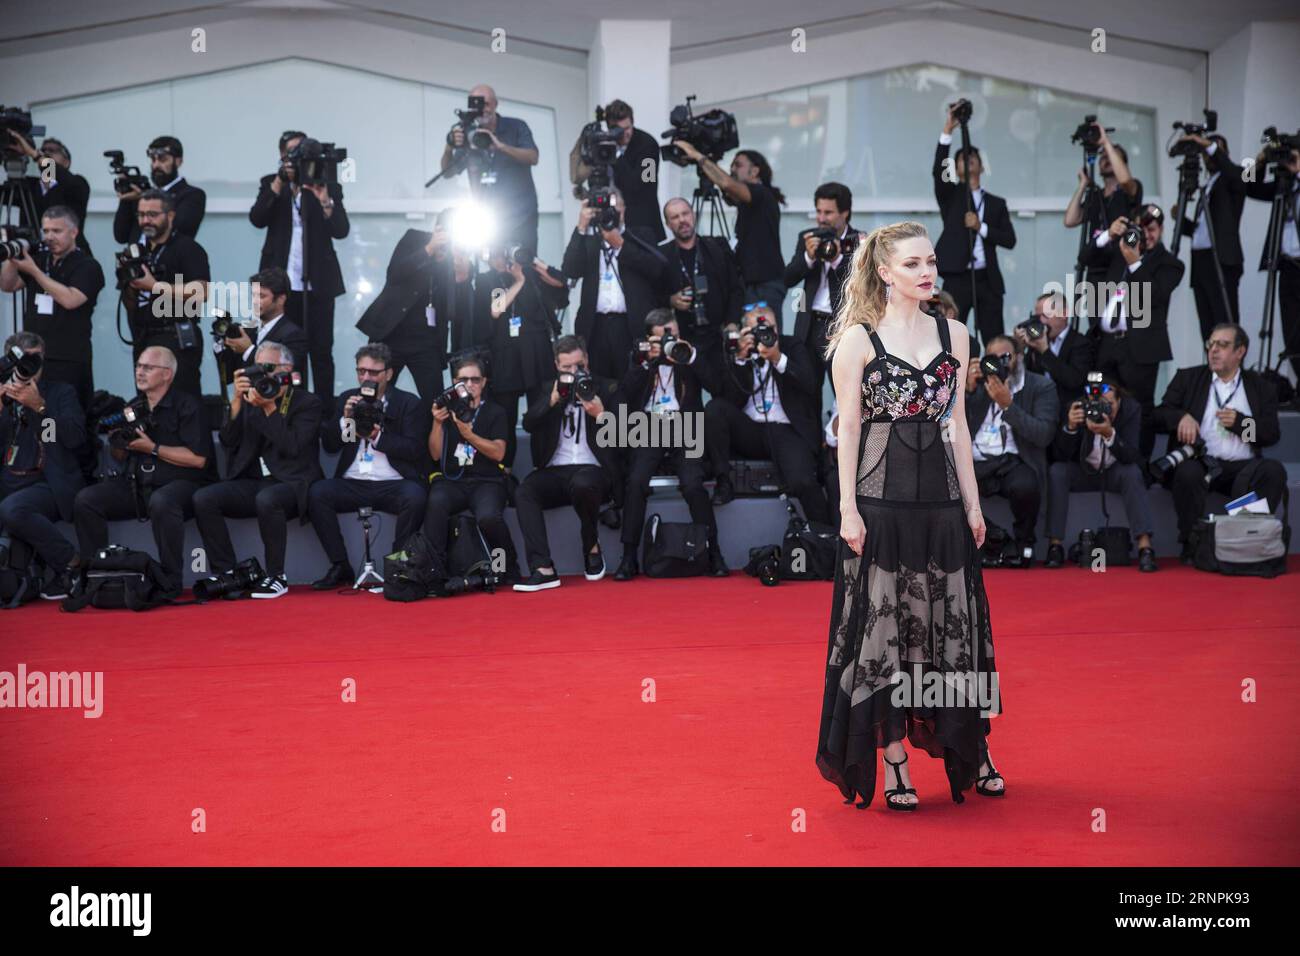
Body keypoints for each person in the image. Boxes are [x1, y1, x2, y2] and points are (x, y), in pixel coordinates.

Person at [816, 220, 1004, 812]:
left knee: (952, 631)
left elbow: (958, 426)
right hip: (881, 507)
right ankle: (893, 757)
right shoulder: (857, 341)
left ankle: (970, 747)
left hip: (943, 507)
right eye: (914, 264)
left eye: (932, 262)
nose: (928, 273)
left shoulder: (955, 333)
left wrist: (973, 504)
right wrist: (847, 508)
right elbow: (848, 430)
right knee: (884, 635)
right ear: (884, 271)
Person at [72, 346, 216, 597]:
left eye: (148, 367)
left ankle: (170, 580)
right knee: (87, 499)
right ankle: (96, 575)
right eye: (138, 366)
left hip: (183, 486)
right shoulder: (133, 406)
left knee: (163, 501)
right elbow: (121, 455)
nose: (140, 372)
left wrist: (153, 448)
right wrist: (120, 443)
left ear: (167, 374)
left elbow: (198, 460)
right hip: (139, 484)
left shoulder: (188, 405)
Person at [193, 342, 323, 598]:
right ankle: (227, 573)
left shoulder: (307, 402)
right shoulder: (250, 398)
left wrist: (269, 408)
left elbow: (292, 446)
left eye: (268, 368)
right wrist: (236, 404)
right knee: (204, 498)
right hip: (253, 479)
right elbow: (229, 443)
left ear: (287, 369)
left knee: (268, 499)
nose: (262, 375)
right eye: (257, 368)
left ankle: (276, 576)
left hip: (292, 482)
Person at [1152, 323, 1287, 563]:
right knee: (1188, 473)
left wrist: (1240, 424)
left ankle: (1247, 540)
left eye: (1222, 345)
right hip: (1201, 463)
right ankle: (1192, 542)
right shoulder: (1188, 378)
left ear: (1240, 352)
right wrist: (1180, 417)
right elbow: (1157, 415)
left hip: (1241, 468)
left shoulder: (1260, 387)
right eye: (1211, 344)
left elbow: (1270, 434)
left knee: (1273, 471)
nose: (1214, 350)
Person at [613, 309, 726, 581]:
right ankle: (628, 557)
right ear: (650, 338)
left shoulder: (689, 355)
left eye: (672, 334)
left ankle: (713, 552)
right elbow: (624, 395)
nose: (668, 341)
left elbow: (717, 386)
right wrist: (646, 363)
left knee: (693, 484)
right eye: (662, 337)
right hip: (649, 426)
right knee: (637, 481)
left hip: (686, 425)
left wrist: (692, 357)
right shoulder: (640, 358)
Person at [308, 344, 430, 589]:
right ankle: (340, 565)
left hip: (394, 482)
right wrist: (346, 420)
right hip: (353, 481)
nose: (366, 378)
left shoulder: (408, 403)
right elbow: (331, 446)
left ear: (388, 374)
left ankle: (399, 567)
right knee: (318, 492)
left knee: (416, 496)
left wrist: (376, 437)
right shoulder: (347, 398)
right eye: (361, 371)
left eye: (373, 373)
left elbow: (414, 450)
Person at [512, 336, 623, 592]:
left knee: (583, 483)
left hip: (594, 471)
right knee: (524, 491)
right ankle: (543, 568)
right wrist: (552, 400)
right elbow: (529, 423)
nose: (574, 372)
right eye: (566, 368)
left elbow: (628, 440)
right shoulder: (547, 390)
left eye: (578, 365)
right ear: (556, 366)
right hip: (554, 471)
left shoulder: (608, 388)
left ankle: (590, 543)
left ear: (587, 360)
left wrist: (602, 415)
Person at [249, 130, 351, 405]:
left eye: (303, 152)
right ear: (282, 156)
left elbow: (341, 230)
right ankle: (290, 406)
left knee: (321, 352)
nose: (297, 158)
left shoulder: (325, 184)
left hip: (318, 284)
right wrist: (280, 183)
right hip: (281, 289)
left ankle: (325, 412)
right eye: (292, 152)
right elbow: (257, 218)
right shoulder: (272, 184)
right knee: (287, 350)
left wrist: (324, 199)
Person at [703, 305, 828, 525]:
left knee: (803, 482)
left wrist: (778, 358)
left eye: (768, 328)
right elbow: (727, 399)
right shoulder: (739, 352)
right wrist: (740, 360)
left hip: (785, 429)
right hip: (750, 428)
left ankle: (826, 539)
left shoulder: (791, 345)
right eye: (756, 330)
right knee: (714, 408)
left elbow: (810, 383)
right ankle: (723, 481)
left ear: (777, 327)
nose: (763, 334)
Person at [1091, 203, 1184, 458]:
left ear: (1161, 230)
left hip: (1140, 349)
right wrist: (1107, 237)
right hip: (1107, 344)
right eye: (1140, 228)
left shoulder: (1170, 264)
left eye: (1151, 229)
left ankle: (1138, 465)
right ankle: (1104, 461)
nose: (1146, 235)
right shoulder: (1117, 251)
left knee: (1139, 410)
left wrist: (1135, 263)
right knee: (1099, 401)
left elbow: (1155, 294)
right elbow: (1085, 258)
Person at [0, 332, 85, 601]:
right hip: (7, 476)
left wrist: (40, 408)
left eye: (37, 362)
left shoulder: (60, 393)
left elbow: (74, 438)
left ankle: (71, 563)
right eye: (25, 362)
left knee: (13, 509)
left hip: (48, 481)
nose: (30, 371)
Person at [422, 352, 520, 585]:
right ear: (454, 382)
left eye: (475, 380)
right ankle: (437, 571)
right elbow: (435, 454)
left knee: (488, 517)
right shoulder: (446, 411)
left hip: (487, 481)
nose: (469, 385)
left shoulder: (495, 412)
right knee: (436, 504)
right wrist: (436, 422)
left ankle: (505, 567)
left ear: (484, 382)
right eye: (463, 380)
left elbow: (498, 453)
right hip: (453, 481)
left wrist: (468, 434)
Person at [1044, 377, 1158, 571]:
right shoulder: (1077, 407)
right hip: (1082, 469)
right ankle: (1055, 546)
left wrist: (1109, 434)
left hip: (1115, 470)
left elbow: (1134, 455)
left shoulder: (1131, 409)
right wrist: (1070, 428)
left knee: (1132, 473)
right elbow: (1059, 455)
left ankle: (1145, 548)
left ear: (1119, 401)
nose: (1103, 409)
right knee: (1057, 472)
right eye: (1099, 404)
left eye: (1109, 405)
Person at [963, 334, 1058, 566]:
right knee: (944, 485)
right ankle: (997, 538)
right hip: (974, 461)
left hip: (1012, 462)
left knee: (1026, 485)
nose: (999, 364)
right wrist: (966, 392)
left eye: (1005, 357)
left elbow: (1043, 435)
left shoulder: (1040, 386)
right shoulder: (975, 385)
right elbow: (953, 429)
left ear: (1019, 357)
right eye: (991, 358)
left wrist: (1007, 404)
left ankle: (1025, 541)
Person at [0, 206, 105, 413]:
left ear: (74, 232)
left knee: (66, 416)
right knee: (34, 415)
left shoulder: (87, 266)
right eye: (46, 231)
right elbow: (7, 285)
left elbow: (70, 300)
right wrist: (14, 258)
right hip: (33, 357)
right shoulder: (40, 259)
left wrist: (35, 271)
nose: (49, 237)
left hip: (69, 358)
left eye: (56, 231)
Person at [673, 142, 787, 329]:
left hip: (764, 284)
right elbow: (727, 189)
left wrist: (698, 156)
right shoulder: (750, 200)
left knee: (765, 337)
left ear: (754, 171)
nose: (733, 169)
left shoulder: (761, 194)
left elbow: (726, 183)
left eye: (738, 165)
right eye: (732, 165)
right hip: (751, 283)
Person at [933, 103, 1016, 347]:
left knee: (993, 334)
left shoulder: (996, 204)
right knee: (949, 331)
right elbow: (938, 172)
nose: (967, 161)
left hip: (986, 278)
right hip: (958, 276)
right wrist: (948, 130)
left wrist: (982, 228)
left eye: (972, 157)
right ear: (956, 169)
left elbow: (1009, 240)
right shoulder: (951, 196)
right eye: (961, 159)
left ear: (981, 165)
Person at [477, 248, 569, 469]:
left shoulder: (534, 274)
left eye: (502, 255)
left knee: (541, 410)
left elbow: (562, 284)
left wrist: (534, 262)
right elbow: (496, 310)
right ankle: (506, 469)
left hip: (536, 351)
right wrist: (518, 281)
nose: (499, 261)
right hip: (505, 354)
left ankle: (543, 465)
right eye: (495, 257)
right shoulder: (489, 279)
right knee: (506, 415)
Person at [561, 191, 666, 380]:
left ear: (624, 210)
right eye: (605, 210)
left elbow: (657, 269)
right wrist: (581, 228)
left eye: (614, 209)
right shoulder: (590, 240)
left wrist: (620, 245)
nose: (610, 214)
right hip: (596, 327)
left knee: (633, 383)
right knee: (600, 385)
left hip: (630, 325)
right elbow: (570, 270)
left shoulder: (641, 235)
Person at [120, 189, 211, 398]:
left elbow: (202, 291)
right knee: (147, 404)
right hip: (143, 336)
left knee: (181, 404)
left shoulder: (188, 248)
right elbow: (130, 303)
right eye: (141, 215)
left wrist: (155, 286)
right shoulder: (138, 252)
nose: (146, 221)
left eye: (152, 215)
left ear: (170, 216)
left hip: (176, 336)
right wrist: (129, 282)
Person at [357, 212, 453, 404]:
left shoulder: (455, 257)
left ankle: (433, 434)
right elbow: (394, 274)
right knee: (374, 395)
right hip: (392, 334)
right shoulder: (415, 238)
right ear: (438, 228)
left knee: (435, 401)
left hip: (426, 340)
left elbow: (452, 305)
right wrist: (429, 248)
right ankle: (371, 432)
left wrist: (457, 266)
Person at [785, 181, 861, 420]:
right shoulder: (807, 237)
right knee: (806, 393)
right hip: (809, 326)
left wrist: (838, 259)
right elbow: (788, 278)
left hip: (841, 328)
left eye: (828, 212)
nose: (821, 218)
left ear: (844, 213)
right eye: (818, 211)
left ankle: (840, 451)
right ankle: (811, 453)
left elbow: (862, 282)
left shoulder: (859, 241)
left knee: (845, 392)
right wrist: (808, 256)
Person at [440, 85, 540, 253]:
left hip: (521, 216)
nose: (481, 109)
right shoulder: (468, 133)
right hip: (487, 218)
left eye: (485, 104)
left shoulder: (516, 127)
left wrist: (501, 146)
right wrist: (449, 146)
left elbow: (533, 157)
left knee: (525, 268)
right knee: (491, 273)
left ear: (495, 104)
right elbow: (448, 173)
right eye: (475, 105)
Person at [659, 197, 744, 376]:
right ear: (667, 223)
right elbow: (650, 296)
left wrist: (732, 323)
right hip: (682, 339)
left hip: (718, 335)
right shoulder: (661, 256)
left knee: (725, 395)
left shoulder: (717, 247)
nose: (682, 220)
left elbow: (736, 289)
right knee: (688, 399)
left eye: (685, 214)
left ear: (693, 215)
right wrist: (670, 300)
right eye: (675, 217)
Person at [1063, 123, 1142, 316]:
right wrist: (1083, 185)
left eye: (1110, 157)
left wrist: (1106, 142)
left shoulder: (1129, 190)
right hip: (1096, 265)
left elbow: (1125, 181)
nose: (1105, 159)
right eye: (1102, 157)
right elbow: (1070, 220)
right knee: (1095, 320)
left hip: (1120, 261)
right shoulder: (1095, 196)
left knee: (1116, 316)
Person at [1172, 133, 1246, 339]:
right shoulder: (1207, 186)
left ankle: (1232, 370)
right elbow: (1202, 231)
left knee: (1226, 324)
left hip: (1221, 260)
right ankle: (1212, 368)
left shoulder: (1235, 177)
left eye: (1215, 150)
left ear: (1226, 154)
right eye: (1206, 152)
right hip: (1201, 261)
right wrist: (1181, 221)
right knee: (1207, 326)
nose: (1209, 155)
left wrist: (1209, 145)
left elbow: (1235, 174)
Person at [569, 99, 665, 241]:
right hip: (606, 221)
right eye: (620, 130)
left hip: (641, 225)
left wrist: (616, 155)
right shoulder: (602, 144)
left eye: (628, 128)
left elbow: (644, 186)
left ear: (632, 122)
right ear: (610, 127)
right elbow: (579, 177)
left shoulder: (648, 145)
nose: (625, 134)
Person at [215, 267, 309, 393]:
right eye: (253, 295)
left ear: (281, 299)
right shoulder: (248, 330)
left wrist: (248, 350)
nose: (255, 301)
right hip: (247, 407)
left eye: (262, 296)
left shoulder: (294, 335)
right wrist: (221, 345)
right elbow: (228, 377)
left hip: (279, 408)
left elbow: (286, 376)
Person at [1017, 290, 1095, 434]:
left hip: (1067, 415)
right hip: (1039, 414)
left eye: (1045, 315)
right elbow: (1024, 380)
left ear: (1064, 314)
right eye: (1037, 317)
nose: (1041, 322)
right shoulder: (1036, 342)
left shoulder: (1080, 343)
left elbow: (1074, 380)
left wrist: (1045, 351)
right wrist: (1020, 349)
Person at [5, 133, 92, 254]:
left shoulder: (77, 183)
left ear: (66, 162)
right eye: (43, 150)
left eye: (52, 150)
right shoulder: (27, 186)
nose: (45, 153)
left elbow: (50, 168)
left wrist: (34, 153)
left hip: (71, 257)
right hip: (36, 257)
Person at [112, 136, 206, 242]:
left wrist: (146, 199)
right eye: (153, 159)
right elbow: (121, 236)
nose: (156, 165)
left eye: (162, 159)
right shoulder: (142, 195)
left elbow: (176, 231)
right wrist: (126, 199)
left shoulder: (193, 195)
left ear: (178, 162)